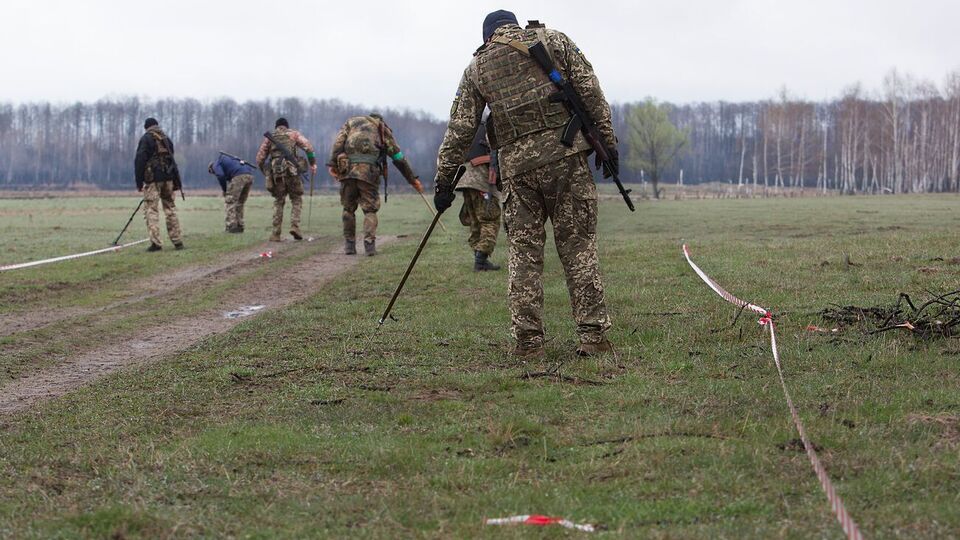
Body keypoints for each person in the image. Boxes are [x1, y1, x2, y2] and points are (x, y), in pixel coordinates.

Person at [433, 11, 618, 358]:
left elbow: (460, 128)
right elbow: (590, 90)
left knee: (524, 256)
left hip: (518, 172)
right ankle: (592, 338)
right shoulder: (553, 40)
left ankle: (529, 342)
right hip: (566, 162)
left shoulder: (477, 68)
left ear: (488, 36)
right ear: (514, 26)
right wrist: (608, 144)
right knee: (579, 249)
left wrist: (444, 179)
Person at [327, 113, 424, 256]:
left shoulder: (351, 122)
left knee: (348, 209)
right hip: (368, 173)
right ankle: (369, 246)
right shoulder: (381, 128)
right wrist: (412, 179)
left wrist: (332, 164)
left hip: (347, 172)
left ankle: (349, 245)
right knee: (370, 210)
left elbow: (338, 143)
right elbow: (397, 157)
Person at [256, 118, 318, 242]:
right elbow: (309, 148)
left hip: (277, 174)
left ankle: (275, 234)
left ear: (277, 127)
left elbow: (260, 158)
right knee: (296, 199)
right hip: (293, 172)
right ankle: (295, 227)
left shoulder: (270, 138)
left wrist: (266, 171)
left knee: (279, 201)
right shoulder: (294, 134)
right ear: (286, 126)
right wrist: (312, 163)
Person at [456, 122, 501, 271]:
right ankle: (480, 260)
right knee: (490, 218)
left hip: (464, 176)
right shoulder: (489, 126)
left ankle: (480, 258)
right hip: (480, 177)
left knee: (476, 220)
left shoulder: (467, 128)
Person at [134, 117, 184, 252]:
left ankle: (156, 243)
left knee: (151, 210)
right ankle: (177, 241)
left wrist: (139, 182)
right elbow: (172, 160)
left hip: (153, 180)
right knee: (170, 209)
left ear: (146, 127)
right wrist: (175, 182)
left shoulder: (146, 139)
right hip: (168, 179)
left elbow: (139, 161)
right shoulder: (166, 139)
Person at [208, 153, 255, 233]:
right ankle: (240, 226)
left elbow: (220, 175)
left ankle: (231, 226)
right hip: (249, 175)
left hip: (239, 176)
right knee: (240, 202)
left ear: (211, 168)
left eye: (213, 172)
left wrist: (224, 190)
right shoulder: (229, 160)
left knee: (230, 201)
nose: (214, 174)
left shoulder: (216, 164)